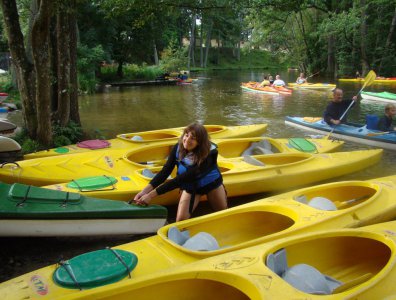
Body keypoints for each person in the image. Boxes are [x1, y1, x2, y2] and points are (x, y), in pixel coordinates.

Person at [133, 123, 228, 221]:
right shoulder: (177, 148)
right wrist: (144, 191)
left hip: (211, 184)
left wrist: (150, 196)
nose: (187, 140)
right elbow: (165, 171)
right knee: (180, 221)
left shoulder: (208, 156)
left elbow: (179, 180)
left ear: (200, 142)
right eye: (186, 135)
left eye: (193, 138)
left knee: (222, 213)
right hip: (192, 187)